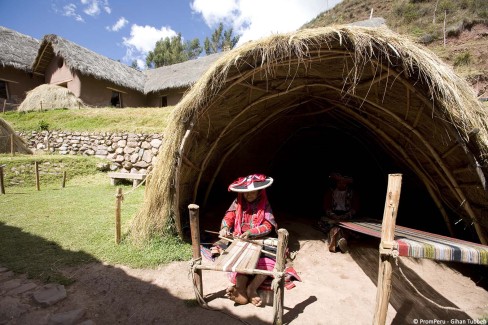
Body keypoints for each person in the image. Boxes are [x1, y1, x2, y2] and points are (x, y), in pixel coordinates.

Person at [216, 173, 278, 306]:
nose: (248, 196)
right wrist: (225, 228)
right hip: (239, 238)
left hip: (259, 239)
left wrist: (251, 232)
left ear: (259, 192)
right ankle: (241, 291)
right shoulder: (237, 202)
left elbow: (268, 226)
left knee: (270, 260)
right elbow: (229, 217)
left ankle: (252, 288)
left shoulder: (264, 204)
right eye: (246, 193)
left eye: (252, 193)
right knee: (239, 259)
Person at [320, 172, 359, 253]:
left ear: (347, 184)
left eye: (344, 182)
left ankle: (337, 241)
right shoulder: (330, 192)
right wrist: (333, 215)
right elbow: (326, 207)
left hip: (346, 216)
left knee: (345, 227)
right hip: (333, 215)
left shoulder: (352, 193)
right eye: (339, 182)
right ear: (336, 183)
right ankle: (340, 241)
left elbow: (355, 207)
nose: (341, 184)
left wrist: (347, 215)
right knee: (333, 226)